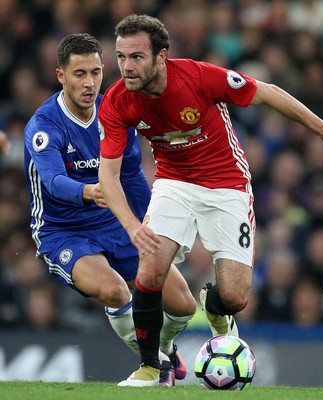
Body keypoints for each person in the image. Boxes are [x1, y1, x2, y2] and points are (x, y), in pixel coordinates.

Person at [97, 14, 323, 386]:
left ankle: (216, 304)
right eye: (122, 56)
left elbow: (267, 91)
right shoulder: (117, 100)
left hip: (227, 184)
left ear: (161, 56)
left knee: (235, 297)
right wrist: (131, 225)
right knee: (150, 270)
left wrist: (321, 128)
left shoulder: (200, 77)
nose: (127, 66)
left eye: (137, 57)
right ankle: (150, 367)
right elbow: (106, 174)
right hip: (173, 183)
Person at [23, 33, 196, 387]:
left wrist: (152, 224)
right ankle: (155, 363)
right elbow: (54, 182)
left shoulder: (115, 112)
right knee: (115, 290)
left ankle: (164, 347)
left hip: (114, 221)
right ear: (60, 75)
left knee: (183, 306)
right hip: (61, 230)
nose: (89, 83)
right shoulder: (44, 126)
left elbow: (131, 175)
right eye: (79, 74)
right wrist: (89, 190)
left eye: (96, 73)